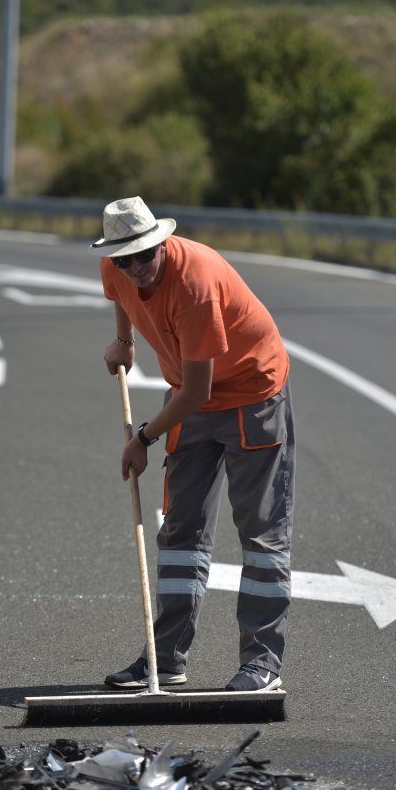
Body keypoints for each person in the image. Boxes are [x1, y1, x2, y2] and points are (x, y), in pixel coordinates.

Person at [90, 196, 295, 692]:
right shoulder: (117, 267)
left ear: (160, 242)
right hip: (190, 398)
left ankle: (261, 662)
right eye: (125, 259)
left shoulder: (195, 284)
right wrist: (127, 341)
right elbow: (122, 296)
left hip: (250, 393)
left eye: (145, 255)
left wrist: (143, 438)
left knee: (261, 533)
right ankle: (165, 659)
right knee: (181, 531)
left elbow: (202, 391)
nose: (135, 267)